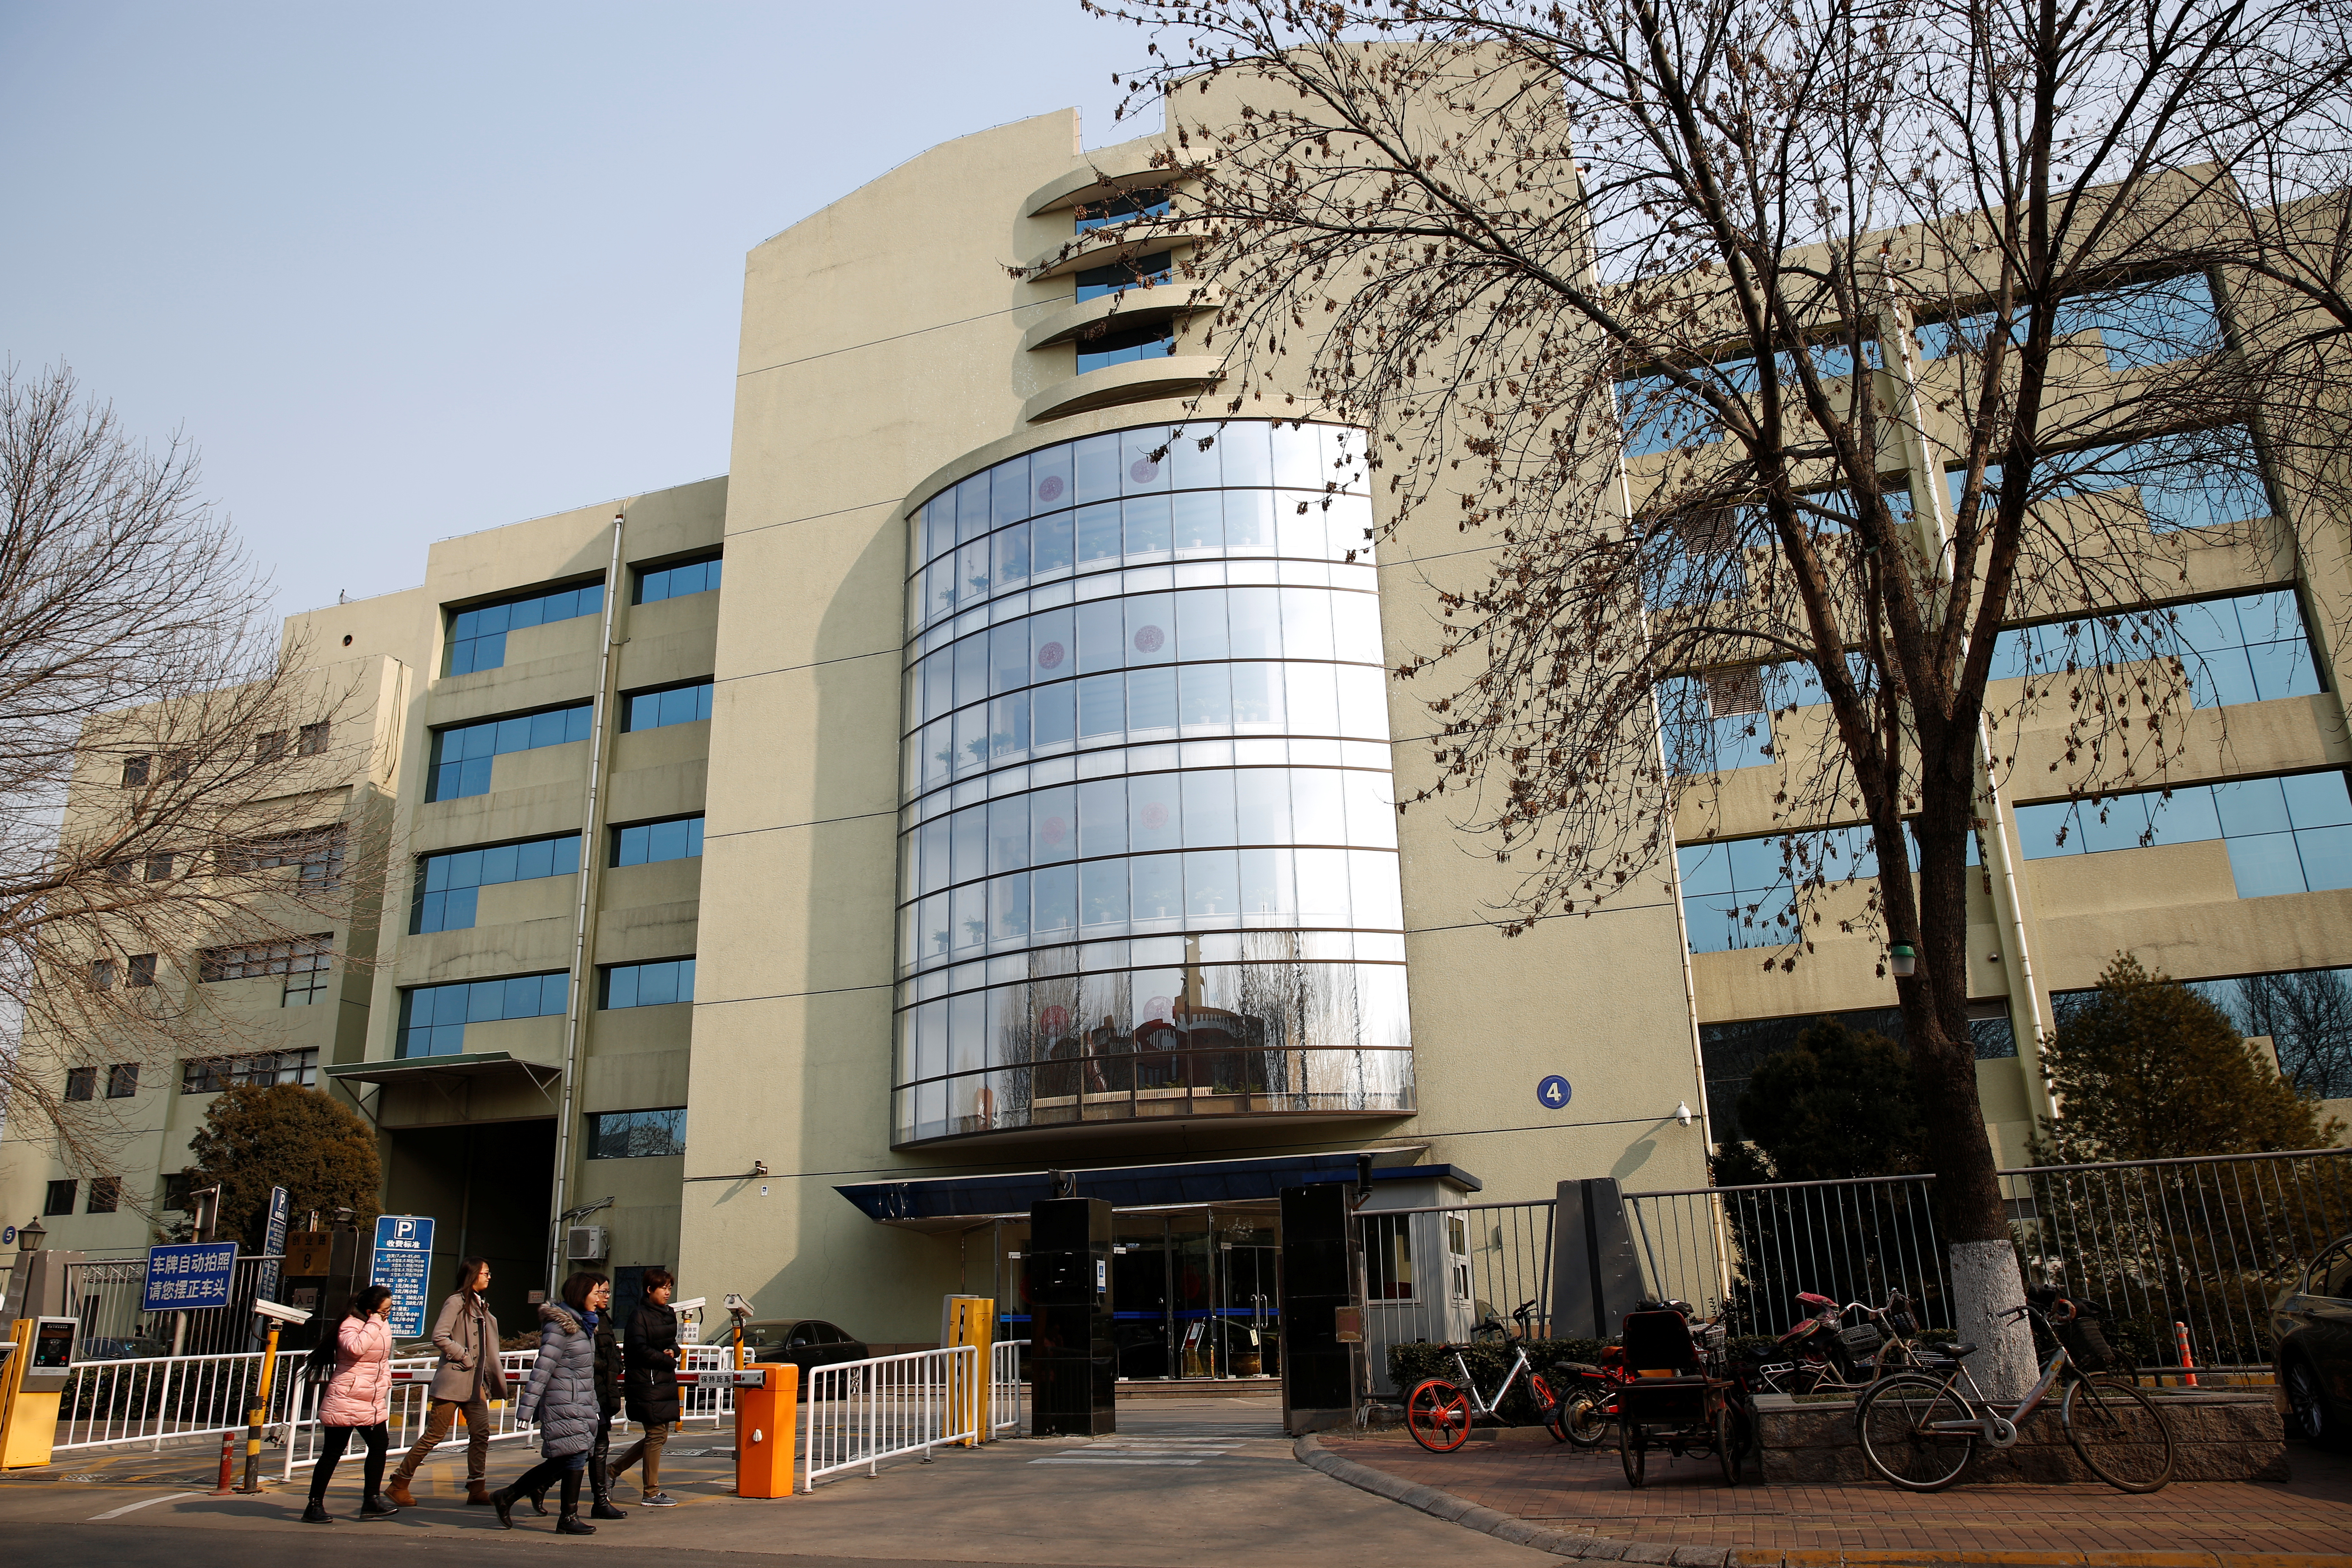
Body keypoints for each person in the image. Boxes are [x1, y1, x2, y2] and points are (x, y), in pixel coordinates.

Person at [384, 1256, 506, 1507]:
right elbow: (439, 1336)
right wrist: (464, 1355)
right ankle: (399, 1483)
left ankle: (477, 1487)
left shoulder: (480, 1304)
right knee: (435, 1435)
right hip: (454, 1380)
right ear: (472, 1275)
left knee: (481, 1433)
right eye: (485, 1273)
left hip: (475, 1383)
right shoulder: (456, 1302)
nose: (489, 1277)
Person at [494, 1272, 607, 1534]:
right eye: (595, 1293)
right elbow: (543, 1368)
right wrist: (526, 1408)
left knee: (566, 1459)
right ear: (580, 1295)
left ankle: (508, 1496)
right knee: (575, 1456)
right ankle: (567, 1518)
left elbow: (584, 1374)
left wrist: (594, 1407)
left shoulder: (585, 1325)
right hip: (563, 1402)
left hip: (580, 1402)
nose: (599, 1298)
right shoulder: (561, 1326)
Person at [303, 1285, 399, 1524]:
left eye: (390, 1310)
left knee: (379, 1445)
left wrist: (385, 1381)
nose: (388, 1314)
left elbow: (380, 1360)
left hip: (371, 1399)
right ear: (369, 1311)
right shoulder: (350, 1325)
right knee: (333, 1452)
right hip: (346, 1397)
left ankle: (372, 1501)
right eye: (384, 1310)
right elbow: (356, 1349)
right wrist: (375, 1322)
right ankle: (314, 1506)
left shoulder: (381, 1324)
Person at [609, 1267, 680, 1506]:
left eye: (669, 1288)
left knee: (658, 1436)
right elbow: (637, 1349)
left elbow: (671, 1342)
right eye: (663, 1288)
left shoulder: (668, 1313)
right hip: (646, 1381)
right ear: (650, 1290)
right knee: (657, 1434)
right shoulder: (639, 1316)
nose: (667, 1293)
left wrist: (674, 1351)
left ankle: (612, 1471)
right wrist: (666, 1359)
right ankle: (651, 1492)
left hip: (663, 1380)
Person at [587, 1274, 628, 1520]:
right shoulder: (581, 1320)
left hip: (603, 1392)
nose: (605, 1297)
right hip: (588, 1393)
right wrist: (606, 1366)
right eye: (601, 1292)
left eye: (607, 1292)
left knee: (598, 1446)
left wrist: (615, 1365)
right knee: (583, 1450)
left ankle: (600, 1501)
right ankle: (530, 1488)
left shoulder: (602, 1318)